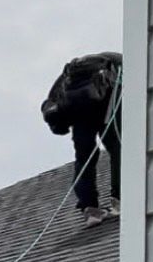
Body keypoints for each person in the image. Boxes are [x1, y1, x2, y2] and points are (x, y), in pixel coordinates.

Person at [40, 51, 122, 226]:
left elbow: (53, 104)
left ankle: (90, 209)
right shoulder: (114, 61)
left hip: (81, 114)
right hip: (105, 105)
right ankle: (119, 200)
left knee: (84, 158)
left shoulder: (66, 78)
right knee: (117, 149)